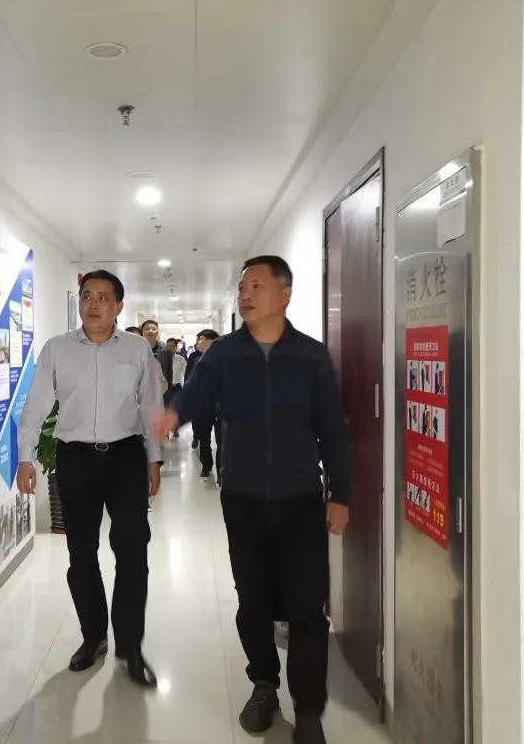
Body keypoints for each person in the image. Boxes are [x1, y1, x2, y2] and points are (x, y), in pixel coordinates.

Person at [153, 255, 351, 744]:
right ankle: (264, 684)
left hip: (301, 497)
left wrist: (341, 494)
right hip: (242, 497)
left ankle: (308, 709)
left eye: (256, 286)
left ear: (284, 294)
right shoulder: (223, 355)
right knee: (253, 600)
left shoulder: (311, 356)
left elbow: (332, 429)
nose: (245, 295)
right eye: (242, 287)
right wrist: (174, 413)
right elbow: (196, 395)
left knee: (307, 606)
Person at [18, 270, 164, 687]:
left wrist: (153, 459)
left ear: (118, 306)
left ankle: (131, 647)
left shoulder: (137, 349)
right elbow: (35, 405)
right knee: (81, 554)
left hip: (125, 459)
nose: (93, 304)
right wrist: (25, 458)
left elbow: (150, 405)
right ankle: (94, 636)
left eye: (102, 297)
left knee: (132, 553)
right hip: (76, 459)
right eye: (86, 296)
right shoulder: (57, 349)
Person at [189, 329, 222, 480]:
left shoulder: (225, 359)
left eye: (201, 339)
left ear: (211, 341)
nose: (198, 342)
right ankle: (206, 466)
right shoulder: (196, 359)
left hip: (221, 406)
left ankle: (221, 472)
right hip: (202, 406)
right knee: (204, 438)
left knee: (222, 440)